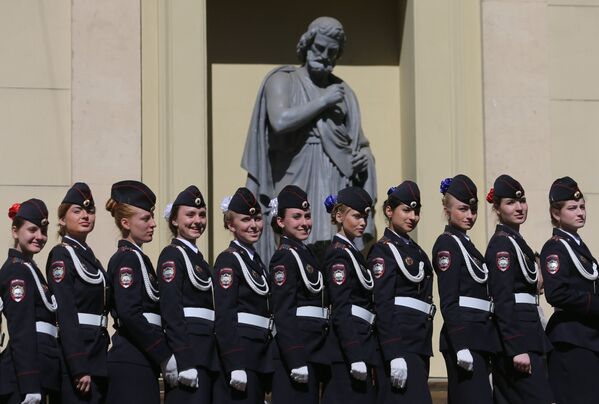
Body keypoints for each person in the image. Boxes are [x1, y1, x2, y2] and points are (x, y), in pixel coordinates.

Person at [242, 16, 377, 260]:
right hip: (294, 174)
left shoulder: (344, 93)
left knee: (334, 251)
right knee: (291, 244)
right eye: (319, 47)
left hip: (335, 177)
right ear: (307, 44)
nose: (324, 55)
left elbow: (360, 142)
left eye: (332, 52)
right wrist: (324, 101)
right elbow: (280, 121)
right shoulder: (283, 80)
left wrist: (363, 159)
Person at [104, 181, 177, 404]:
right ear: (126, 223)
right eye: (145, 219)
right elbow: (129, 313)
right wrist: (163, 354)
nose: (153, 224)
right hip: (131, 359)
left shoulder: (139, 258)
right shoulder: (127, 258)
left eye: (152, 217)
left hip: (142, 358)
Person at [432, 174, 501, 404]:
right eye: (463, 209)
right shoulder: (447, 244)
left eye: (473, 209)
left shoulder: (467, 245)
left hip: (480, 336)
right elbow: (449, 300)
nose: (470, 216)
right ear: (447, 210)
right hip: (464, 338)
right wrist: (460, 345)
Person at [484, 175, 553, 403]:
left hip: (529, 334)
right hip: (519, 340)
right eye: (511, 203)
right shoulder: (502, 244)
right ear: (497, 208)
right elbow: (503, 298)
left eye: (521, 201)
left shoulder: (517, 242)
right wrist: (515, 347)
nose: (519, 207)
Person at [368, 181, 434, 403]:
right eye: (406, 210)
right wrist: (394, 352)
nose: (412, 217)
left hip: (418, 343)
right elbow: (383, 304)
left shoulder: (416, 251)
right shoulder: (383, 250)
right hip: (400, 343)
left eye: (416, 211)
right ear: (389, 211)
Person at [46, 183, 110, 404]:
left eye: (90, 210)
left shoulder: (90, 258)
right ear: (62, 219)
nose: (86, 215)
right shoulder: (62, 256)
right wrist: (78, 364)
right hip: (78, 359)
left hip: (97, 355)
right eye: (77, 211)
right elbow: (65, 312)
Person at [268, 185, 332, 403]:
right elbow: (283, 312)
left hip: (313, 351)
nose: (305, 223)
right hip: (297, 353)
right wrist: (295, 358)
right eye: (296, 217)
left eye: (307, 216)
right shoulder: (284, 257)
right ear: (280, 221)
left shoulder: (306, 253)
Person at [540, 177, 599, 403]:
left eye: (582, 207)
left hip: (587, 336)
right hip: (571, 338)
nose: (580, 212)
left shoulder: (578, 246)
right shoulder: (555, 247)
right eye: (572, 208)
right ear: (556, 214)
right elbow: (556, 292)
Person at [158, 185, 218, 403]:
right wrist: (183, 358)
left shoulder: (199, 260)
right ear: (174, 220)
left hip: (207, 355)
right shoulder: (172, 255)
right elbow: (171, 309)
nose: (197, 220)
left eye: (202, 215)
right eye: (190, 214)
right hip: (191, 355)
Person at [213, 187, 274, 403]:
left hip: (258, 354)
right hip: (242, 353)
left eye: (257, 218)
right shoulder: (228, 260)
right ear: (231, 225)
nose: (254, 225)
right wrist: (234, 363)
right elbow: (225, 315)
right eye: (246, 220)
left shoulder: (256, 260)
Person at [0, 199, 61, 404]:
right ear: (15, 231)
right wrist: (30, 384)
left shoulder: (29, 268)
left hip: (41, 368)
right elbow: (21, 328)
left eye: (43, 231)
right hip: (24, 379)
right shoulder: (16, 269)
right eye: (32, 230)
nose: (39, 237)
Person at [323, 186, 378, 403]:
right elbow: (341, 307)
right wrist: (355, 355)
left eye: (365, 216)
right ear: (339, 216)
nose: (362, 222)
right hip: (346, 351)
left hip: (361, 343)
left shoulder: (353, 253)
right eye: (356, 216)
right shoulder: (339, 254)